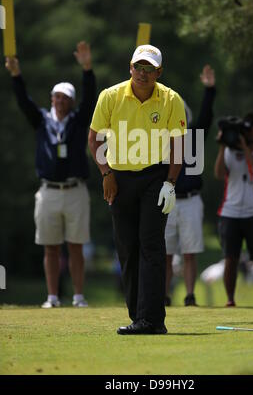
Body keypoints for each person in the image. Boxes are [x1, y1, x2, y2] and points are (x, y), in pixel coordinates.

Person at [88, 44, 186, 335]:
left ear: (159, 72)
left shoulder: (171, 99)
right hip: (119, 177)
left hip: (155, 176)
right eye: (138, 68)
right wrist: (106, 173)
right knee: (128, 248)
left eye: (149, 69)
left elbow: (179, 146)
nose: (142, 74)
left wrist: (170, 183)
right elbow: (94, 139)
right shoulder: (111, 96)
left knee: (151, 245)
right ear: (130, 68)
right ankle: (139, 317)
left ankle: (152, 319)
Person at [5, 41, 96, 308]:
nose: (59, 101)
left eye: (65, 97)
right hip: (48, 191)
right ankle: (53, 297)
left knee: (76, 245)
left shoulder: (78, 122)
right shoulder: (42, 121)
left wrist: (87, 69)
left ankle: (78, 297)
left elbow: (91, 98)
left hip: (75, 189)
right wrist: (16, 74)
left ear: (71, 101)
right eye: (56, 96)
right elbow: (24, 102)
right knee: (50, 246)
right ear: (52, 98)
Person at [165, 65, 216, 306]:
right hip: (168, 199)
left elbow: (206, 116)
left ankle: (189, 295)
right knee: (164, 253)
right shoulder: (161, 139)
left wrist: (209, 90)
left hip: (191, 200)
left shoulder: (194, 135)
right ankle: (163, 295)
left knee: (189, 252)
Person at [214, 112, 253, 307]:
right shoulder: (229, 152)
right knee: (230, 259)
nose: (248, 134)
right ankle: (230, 300)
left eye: (251, 130)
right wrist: (223, 144)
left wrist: (246, 149)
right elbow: (218, 174)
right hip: (230, 213)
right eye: (245, 130)